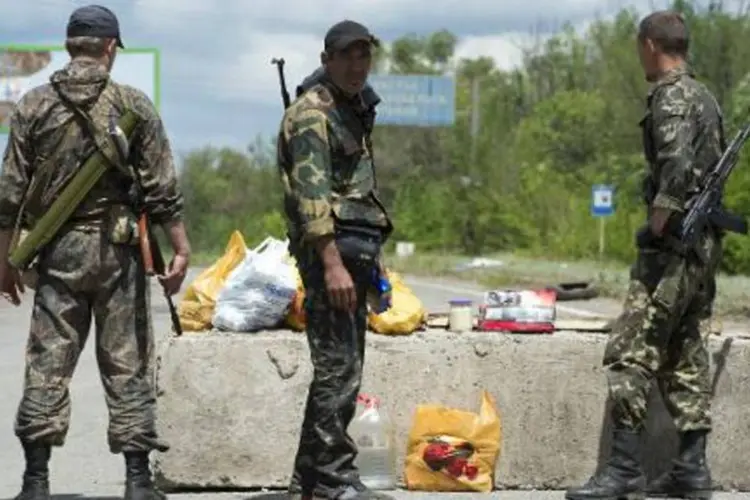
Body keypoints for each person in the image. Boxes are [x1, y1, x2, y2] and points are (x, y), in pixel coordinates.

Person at [0, 5, 190, 500]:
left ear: (70, 46)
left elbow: (10, 194)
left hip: (57, 252)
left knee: (47, 362)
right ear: (110, 48)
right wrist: (180, 251)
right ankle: (136, 481)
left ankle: (35, 482)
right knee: (127, 363)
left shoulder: (33, 105)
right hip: (118, 253)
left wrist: (5, 259)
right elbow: (161, 187)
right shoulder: (133, 104)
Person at [565, 10, 723, 500]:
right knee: (687, 349)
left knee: (631, 351)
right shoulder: (706, 97)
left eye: (640, 48)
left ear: (651, 45)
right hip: (702, 247)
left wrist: (660, 217)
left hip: (673, 245)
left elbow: (675, 163)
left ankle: (623, 470)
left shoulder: (672, 96)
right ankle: (690, 470)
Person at [276, 19, 394, 500]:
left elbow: (357, 193)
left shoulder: (352, 109)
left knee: (340, 367)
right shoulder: (313, 113)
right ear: (326, 60)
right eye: (346, 56)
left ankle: (307, 478)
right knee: (338, 371)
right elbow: (312, 195)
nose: (356, 65)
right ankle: (333, 479)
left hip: (353, 251)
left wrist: (374, 262)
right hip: (332, 255)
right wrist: (331, 263)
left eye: (363, 55)